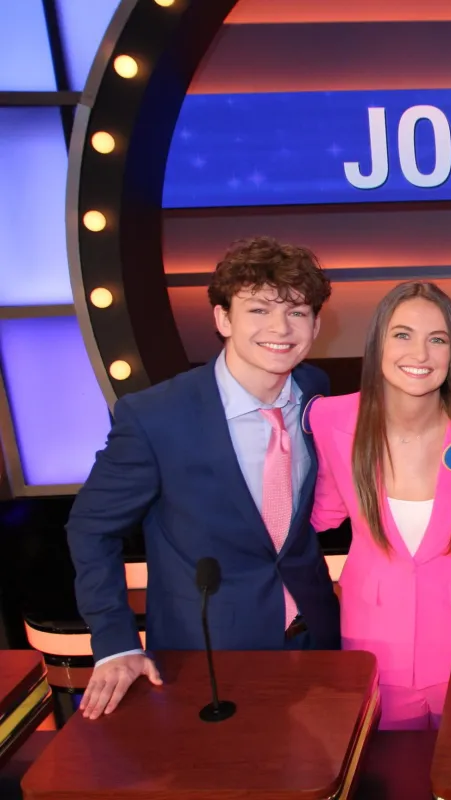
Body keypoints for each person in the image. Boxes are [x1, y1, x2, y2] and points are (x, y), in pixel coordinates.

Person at [67, 236, 340, 718]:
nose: (280, 327)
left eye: (297, 312)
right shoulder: (156, 416)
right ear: (222, 319)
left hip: (316, 640)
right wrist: (115, 643)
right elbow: (91, 529)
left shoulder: (317, 393)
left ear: (316, 325)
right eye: (258, 309)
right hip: (206, 655)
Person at [308, 281, 451, 729]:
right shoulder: (331, 420)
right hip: (372, 645)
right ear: (377, 341)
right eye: (402, 335)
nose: (420, 353)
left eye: (437, 339)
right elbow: (320, 515)